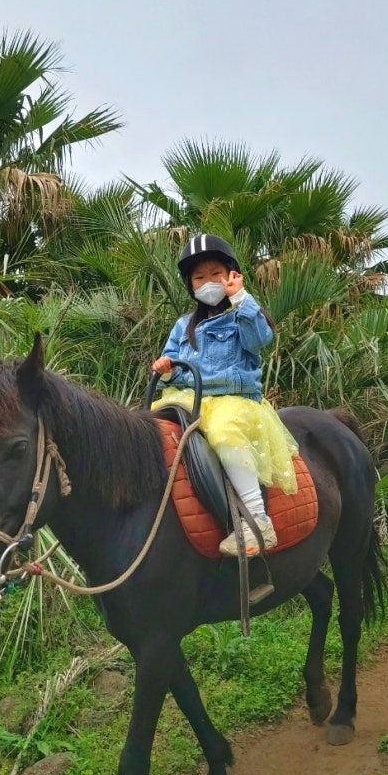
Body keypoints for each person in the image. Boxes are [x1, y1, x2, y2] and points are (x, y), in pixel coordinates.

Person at [151, 234, 299, 557]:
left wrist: (242, 300)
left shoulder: (242, 313)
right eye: (199, 277)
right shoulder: (182, 325)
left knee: (223, 432)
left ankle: (258, 521)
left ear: (232, 275)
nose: (208, 283)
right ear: (191, 285)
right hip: (191, 396)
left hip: (234, 399)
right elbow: (173, 364)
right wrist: (165, 369)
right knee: (157, 429)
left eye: (216, 274)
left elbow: (260, 338)